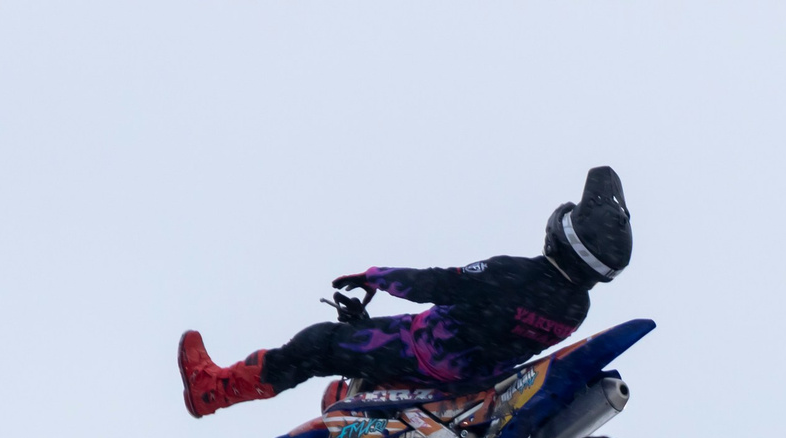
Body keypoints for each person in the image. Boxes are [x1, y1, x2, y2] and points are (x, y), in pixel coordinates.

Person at [176, 167, 631, 419]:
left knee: (317, 345)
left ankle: (215, 389)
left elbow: (442, 284)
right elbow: (488, 323)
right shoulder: (576, 307)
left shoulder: (520, 274)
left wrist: (377, 276)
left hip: (417, 352)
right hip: (471, 378)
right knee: (349, 378)